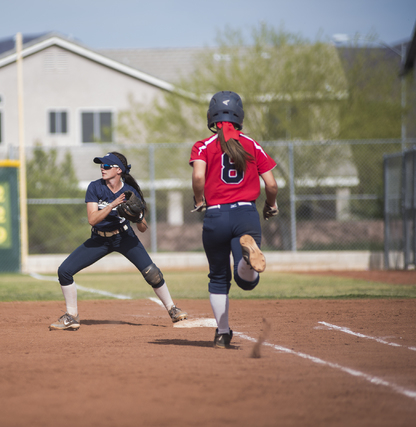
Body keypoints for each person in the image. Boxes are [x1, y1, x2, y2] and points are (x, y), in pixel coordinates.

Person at [50, 152, 188, 330]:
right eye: (101, 165)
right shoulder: (95, 187)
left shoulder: (130, 191)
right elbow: (92, 219)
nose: (102, 168)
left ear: (119, 170)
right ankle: (72, 316)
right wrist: (112, 205)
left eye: (106, 166)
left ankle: (172, 309)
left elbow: (143, 227)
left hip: (124, 237)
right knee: (64, 271)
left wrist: (138, 216)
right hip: (99, 239)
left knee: (152, 273)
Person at [189, 91, 279, 349]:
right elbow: (271, 185)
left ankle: (222, 333)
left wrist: (199, 201)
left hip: (216, 215)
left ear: (211, 116)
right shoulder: (251, 144)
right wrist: (270, 206)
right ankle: (248, 261)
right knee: (246, 282)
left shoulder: (203, 146)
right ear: (239, 116)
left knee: (218, 278)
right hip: (246, 214)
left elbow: (197, 178)